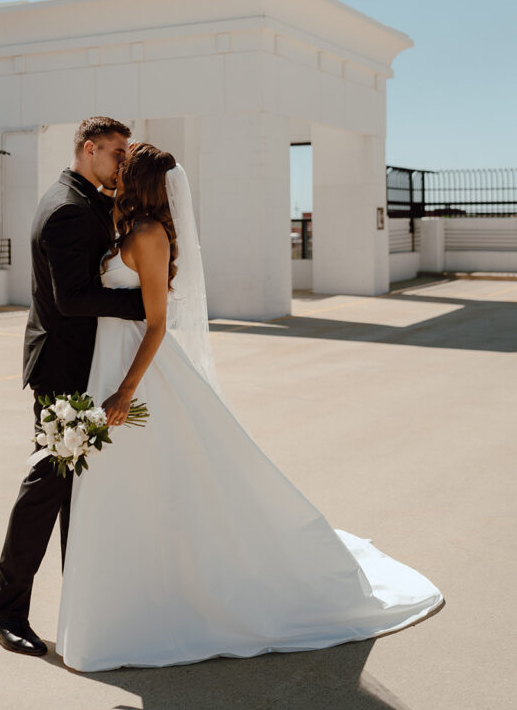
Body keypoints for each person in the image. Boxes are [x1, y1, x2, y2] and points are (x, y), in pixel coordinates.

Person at [56, 143, 444, 671]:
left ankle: (152, 608)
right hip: (109, 363)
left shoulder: (148, 236)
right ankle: (128, 602)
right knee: (129, 487)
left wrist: (125, 391)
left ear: (141, 181)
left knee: (159, 482)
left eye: (125, 168)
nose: (116, 173)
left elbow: (157, 323)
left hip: (139, 374)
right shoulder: (128, 228)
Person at [0, 117, 145, 657]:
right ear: (88, 148)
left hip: (82, 364)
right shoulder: (68, 209)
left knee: (77, 490)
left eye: (126, 153)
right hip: (64, 370)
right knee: (47, 487)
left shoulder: (89, 199)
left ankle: (81, 605)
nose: (122, 161)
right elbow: (72, 298)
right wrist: (141, 306)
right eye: (116, 152)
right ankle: (4, 611)